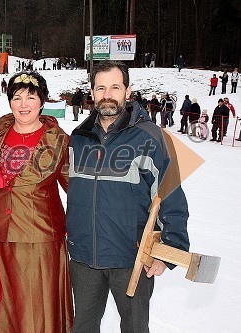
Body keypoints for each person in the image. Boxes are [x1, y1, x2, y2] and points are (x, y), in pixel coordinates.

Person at [66, 60, 190, 333]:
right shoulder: (79, 138)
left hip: (131, 257)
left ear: (127, 91)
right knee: (83, 327)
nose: (107, 94)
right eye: (100, 88)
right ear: (92, 92)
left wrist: (169, 252)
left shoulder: (150, 137)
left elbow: (171, 196)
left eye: (114, 87)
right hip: (84, 257)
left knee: (134, 328)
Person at [0, 71, 74, 333]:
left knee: (34, 314)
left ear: (42, 101)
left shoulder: (59, 140)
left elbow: (77, 189)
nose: (24, 104)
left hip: (38, 241)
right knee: (2, 312)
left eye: (31, 97)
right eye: (17, 97)